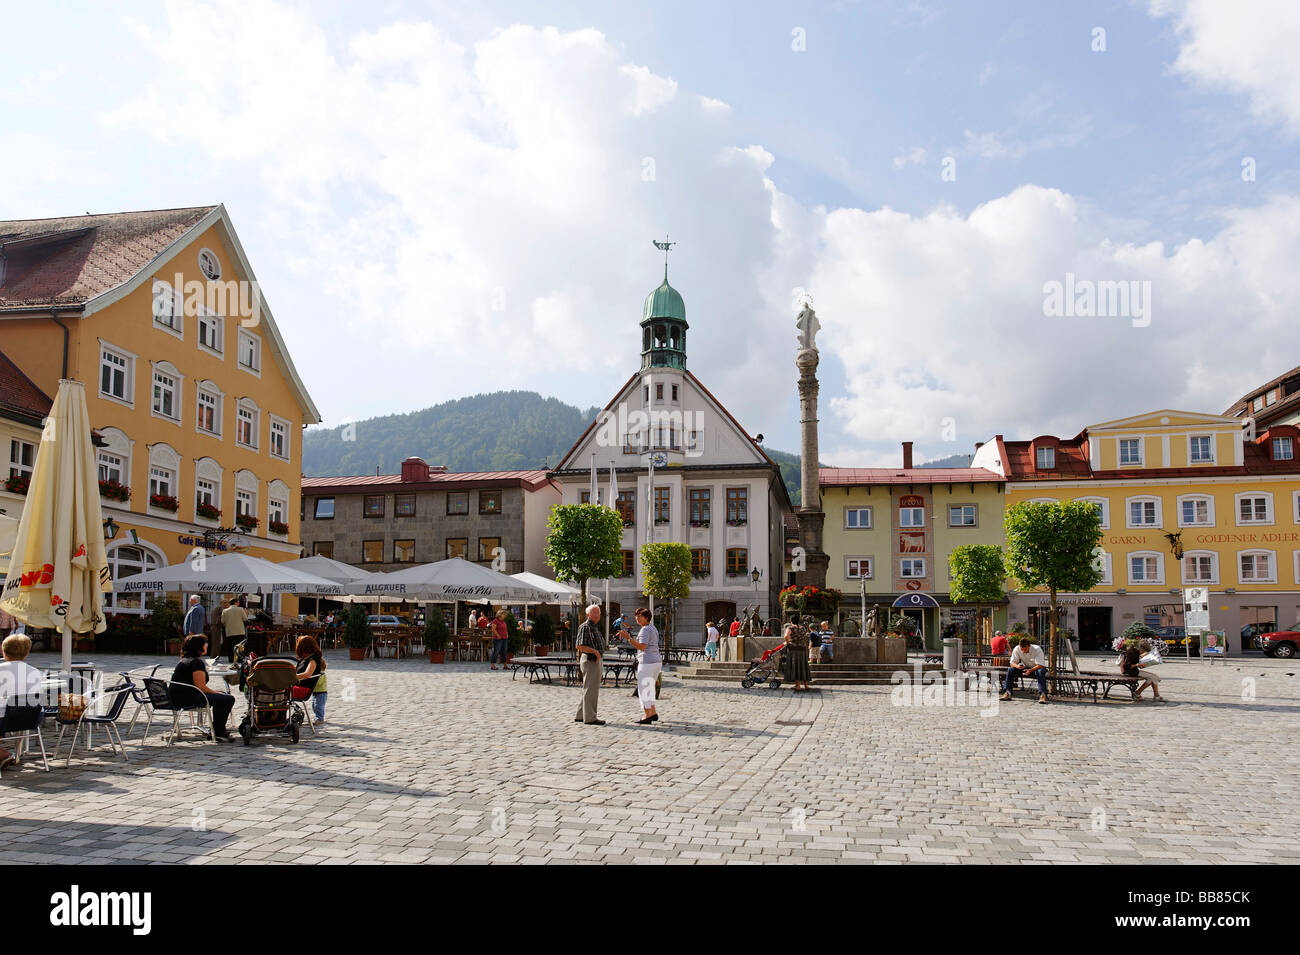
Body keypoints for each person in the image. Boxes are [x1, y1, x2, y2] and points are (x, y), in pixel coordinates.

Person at [171, 635, 235, 741]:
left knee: (223, 696)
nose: (206, 645)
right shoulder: (196, 663)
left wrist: (218, 693)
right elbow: (201, 687)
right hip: (187, 698)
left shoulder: (185, 660)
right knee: (228, 699)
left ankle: (217, 729)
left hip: (178, 696)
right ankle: (218, 731)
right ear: (199, 647)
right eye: (205, 644)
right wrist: (217, 693)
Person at [0, 634, 44, 769]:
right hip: (30, 719)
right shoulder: (35, 672)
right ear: (26, 653)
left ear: (4, 651)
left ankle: (3, 754)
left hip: (4, 721)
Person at [619, 608, 661, 724]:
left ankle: (647, 714)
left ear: (646, 617)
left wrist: (628, 638)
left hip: (647, 662)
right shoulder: (653, 628)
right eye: (636, 616)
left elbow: (642, 646)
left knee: (644, 689)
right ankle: (652, 711)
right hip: (655, 661)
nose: (637, 618)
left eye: (640, 616)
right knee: (649, 688)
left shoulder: (645, 630)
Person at [572, 604, 607, 726]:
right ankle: (590, 718)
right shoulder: (585, 627)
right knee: (591, 690)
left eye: (598, 612)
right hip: (590, 660)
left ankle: (581, 715)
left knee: (589, 688)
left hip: (595, 660)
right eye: (594, 613)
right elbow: (579, 646)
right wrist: (595, 652)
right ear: (588, 614)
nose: (597, 615)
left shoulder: (594, 627)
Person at [1000, 637, 1049, 704]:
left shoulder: (1037, 649)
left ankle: (1043, 694)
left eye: (1024, 649)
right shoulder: (1017, 649)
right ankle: (1008, 692)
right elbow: (1012, 663)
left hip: (1036, 668)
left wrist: (1030, 670)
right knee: (1010, 669)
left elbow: (1041, 665)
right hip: (1025, 668)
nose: (1023, 651)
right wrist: (1017, 666)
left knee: (1040, 672)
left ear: (1028, 646)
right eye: (1021, 649)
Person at [292, 635, 328, 723]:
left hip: (304, 689)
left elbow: (307, 674)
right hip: (298, 686)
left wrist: (291, 677)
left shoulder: (313, 659)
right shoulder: (304, 658)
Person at [782, 623, 812, 691]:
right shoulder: (803, 628)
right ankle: (806, 685)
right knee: (803, 666)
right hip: (802, 649)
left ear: (791, 621)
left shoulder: (790, 628)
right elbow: (806, 636)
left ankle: (798, 685)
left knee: (796, 666)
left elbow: (786, 636)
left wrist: (787, 642)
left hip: (794, 649)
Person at [220, 595, 248, 663]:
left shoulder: (225, 611)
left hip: (230, 632)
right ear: (236, 602)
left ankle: (231, 659)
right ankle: (240, 659)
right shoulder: (240, 609)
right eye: (238, 602)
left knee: (230, 647)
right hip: (240, 631)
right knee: (240, 646)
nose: (239, 603)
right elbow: (245, 619)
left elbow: (222, 621)